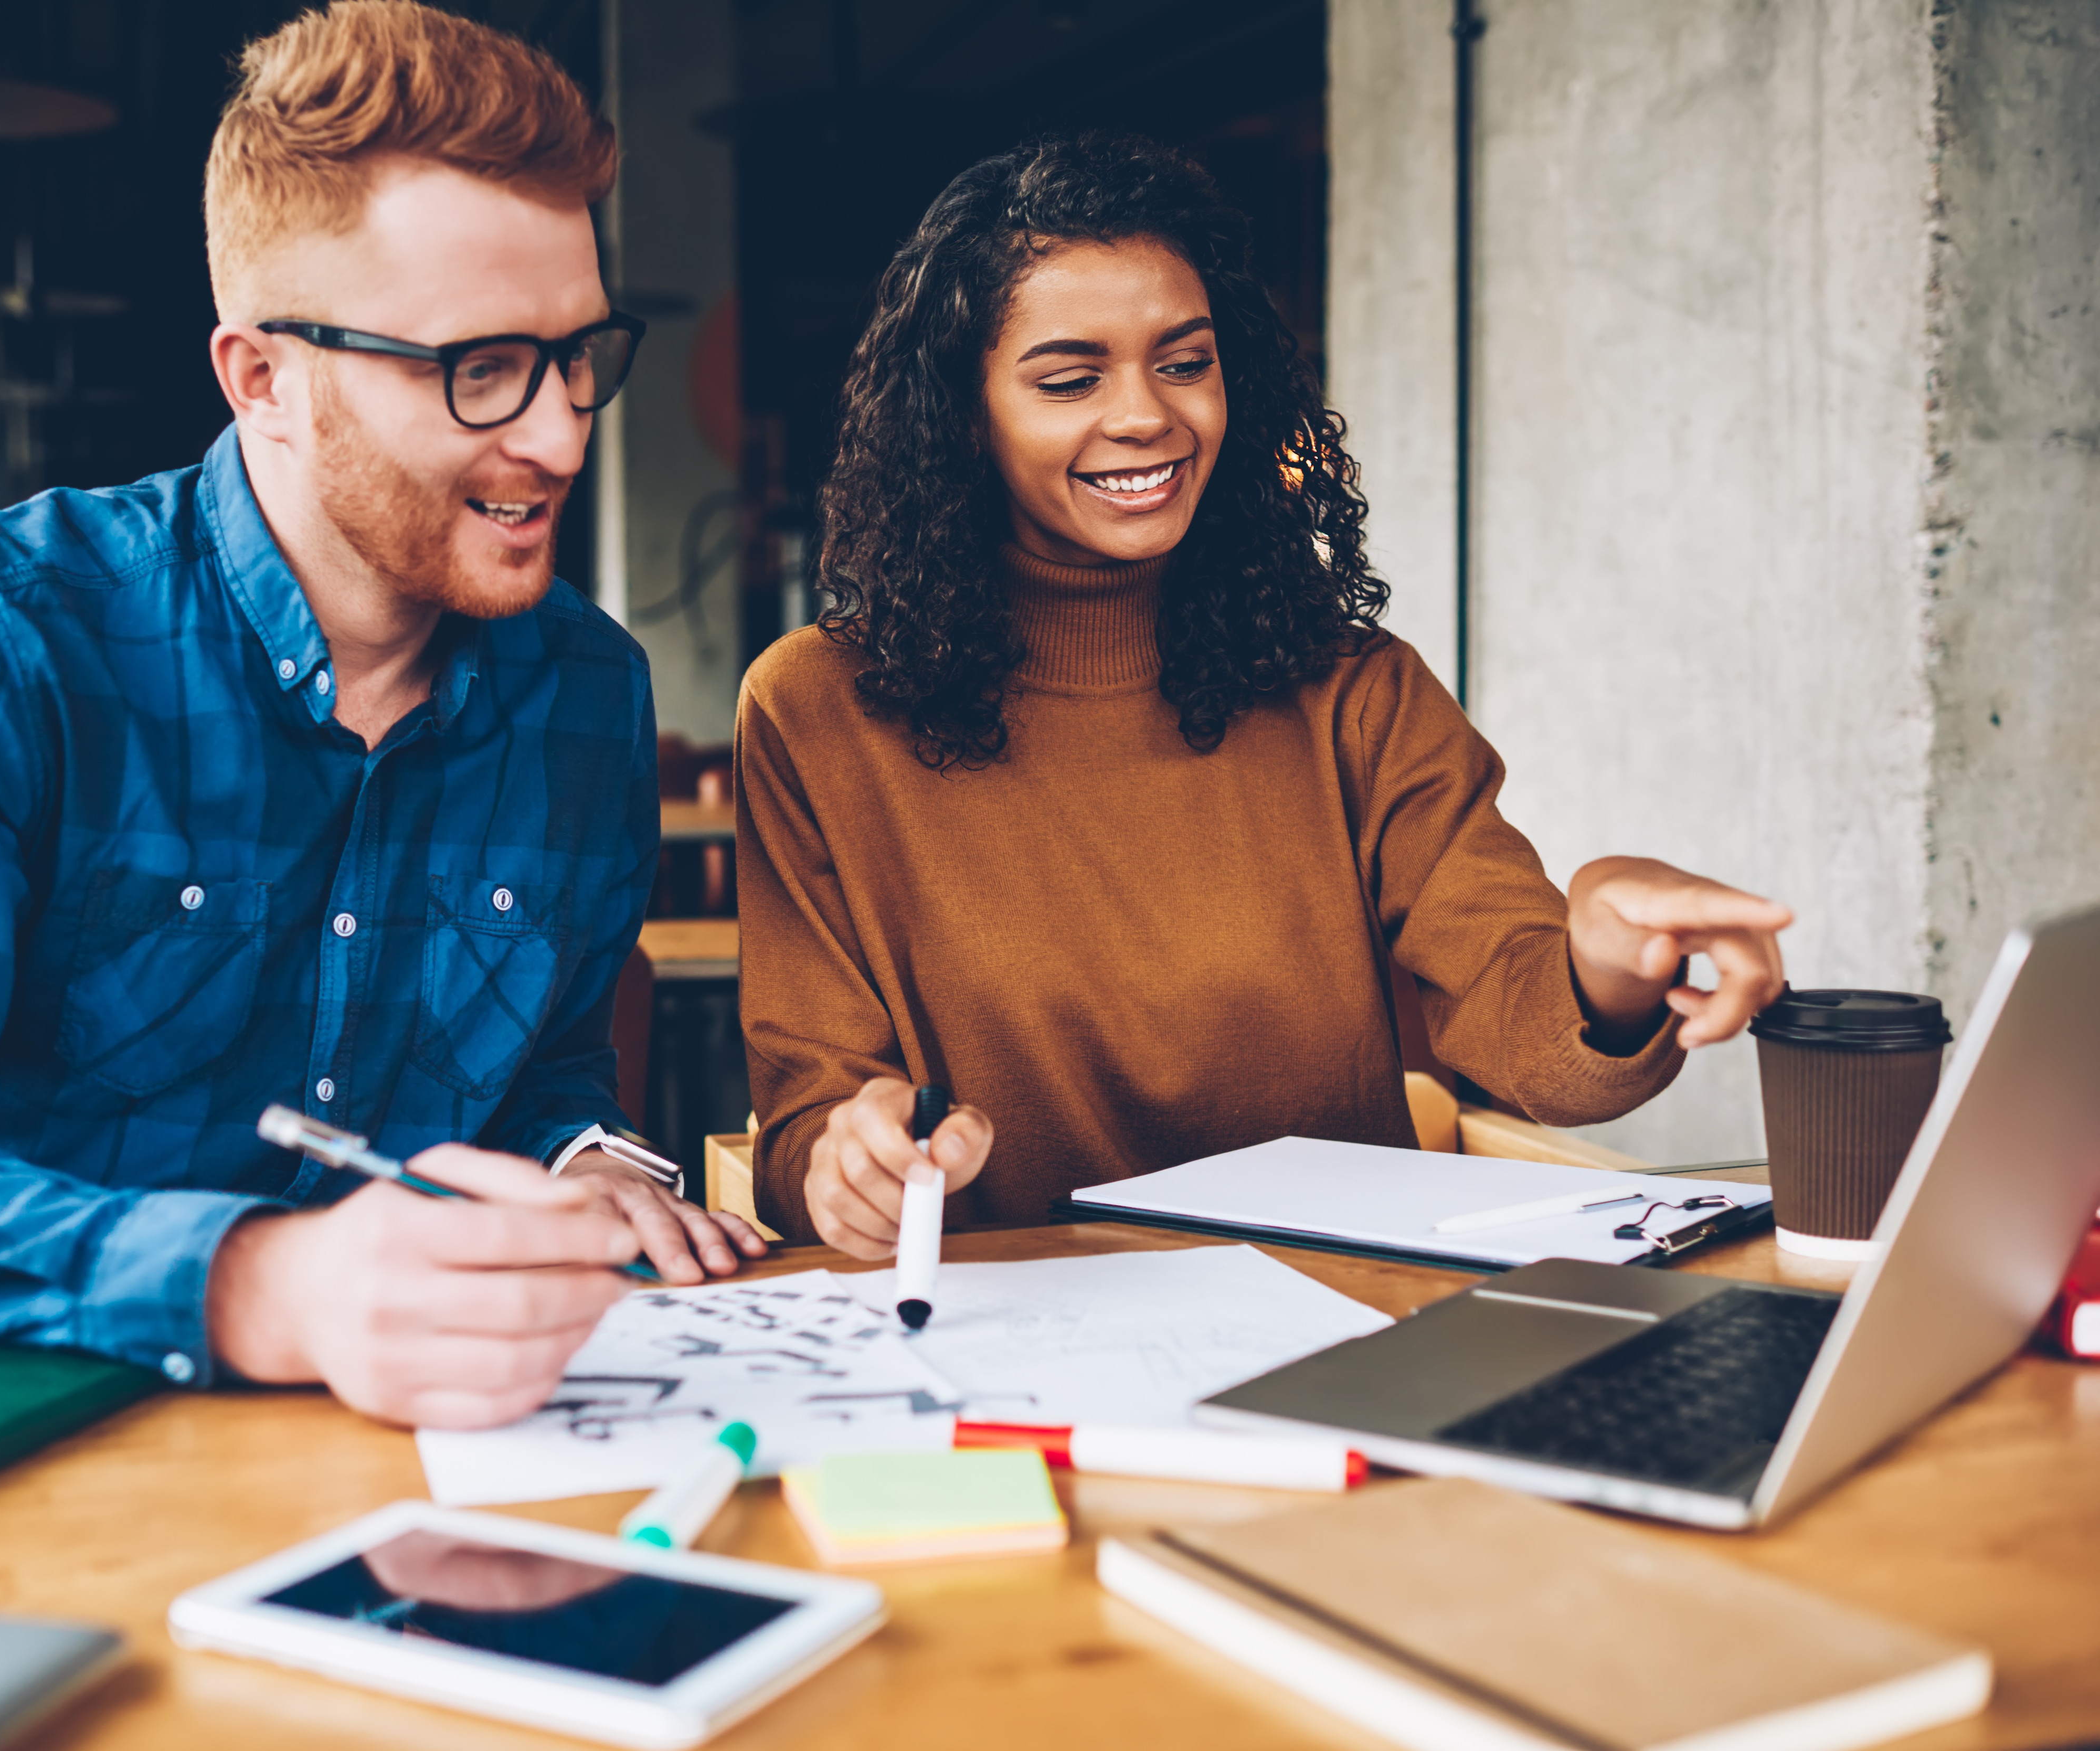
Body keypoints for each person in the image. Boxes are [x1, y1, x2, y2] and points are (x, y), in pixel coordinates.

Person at [0, 0, 763, 1430]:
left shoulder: (586, 689)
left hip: (440, 1475)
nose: (561, 433)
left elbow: (548, 1062)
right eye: (479, 369)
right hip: (25, 1467)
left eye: (579, 354)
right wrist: (269, 1288)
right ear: (263, 378)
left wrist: (586, 1155)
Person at [736, 133, 1794, 1257]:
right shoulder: (819, 709)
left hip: (1346, 1325)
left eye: (1184, 362)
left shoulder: (1350, 689)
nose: (1147, 414)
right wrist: (846, 1163)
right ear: (962, 412)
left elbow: (1525, 1022)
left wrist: (1605, 970)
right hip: (1009, 1350)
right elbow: (809, 1113)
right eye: (1070, 378)